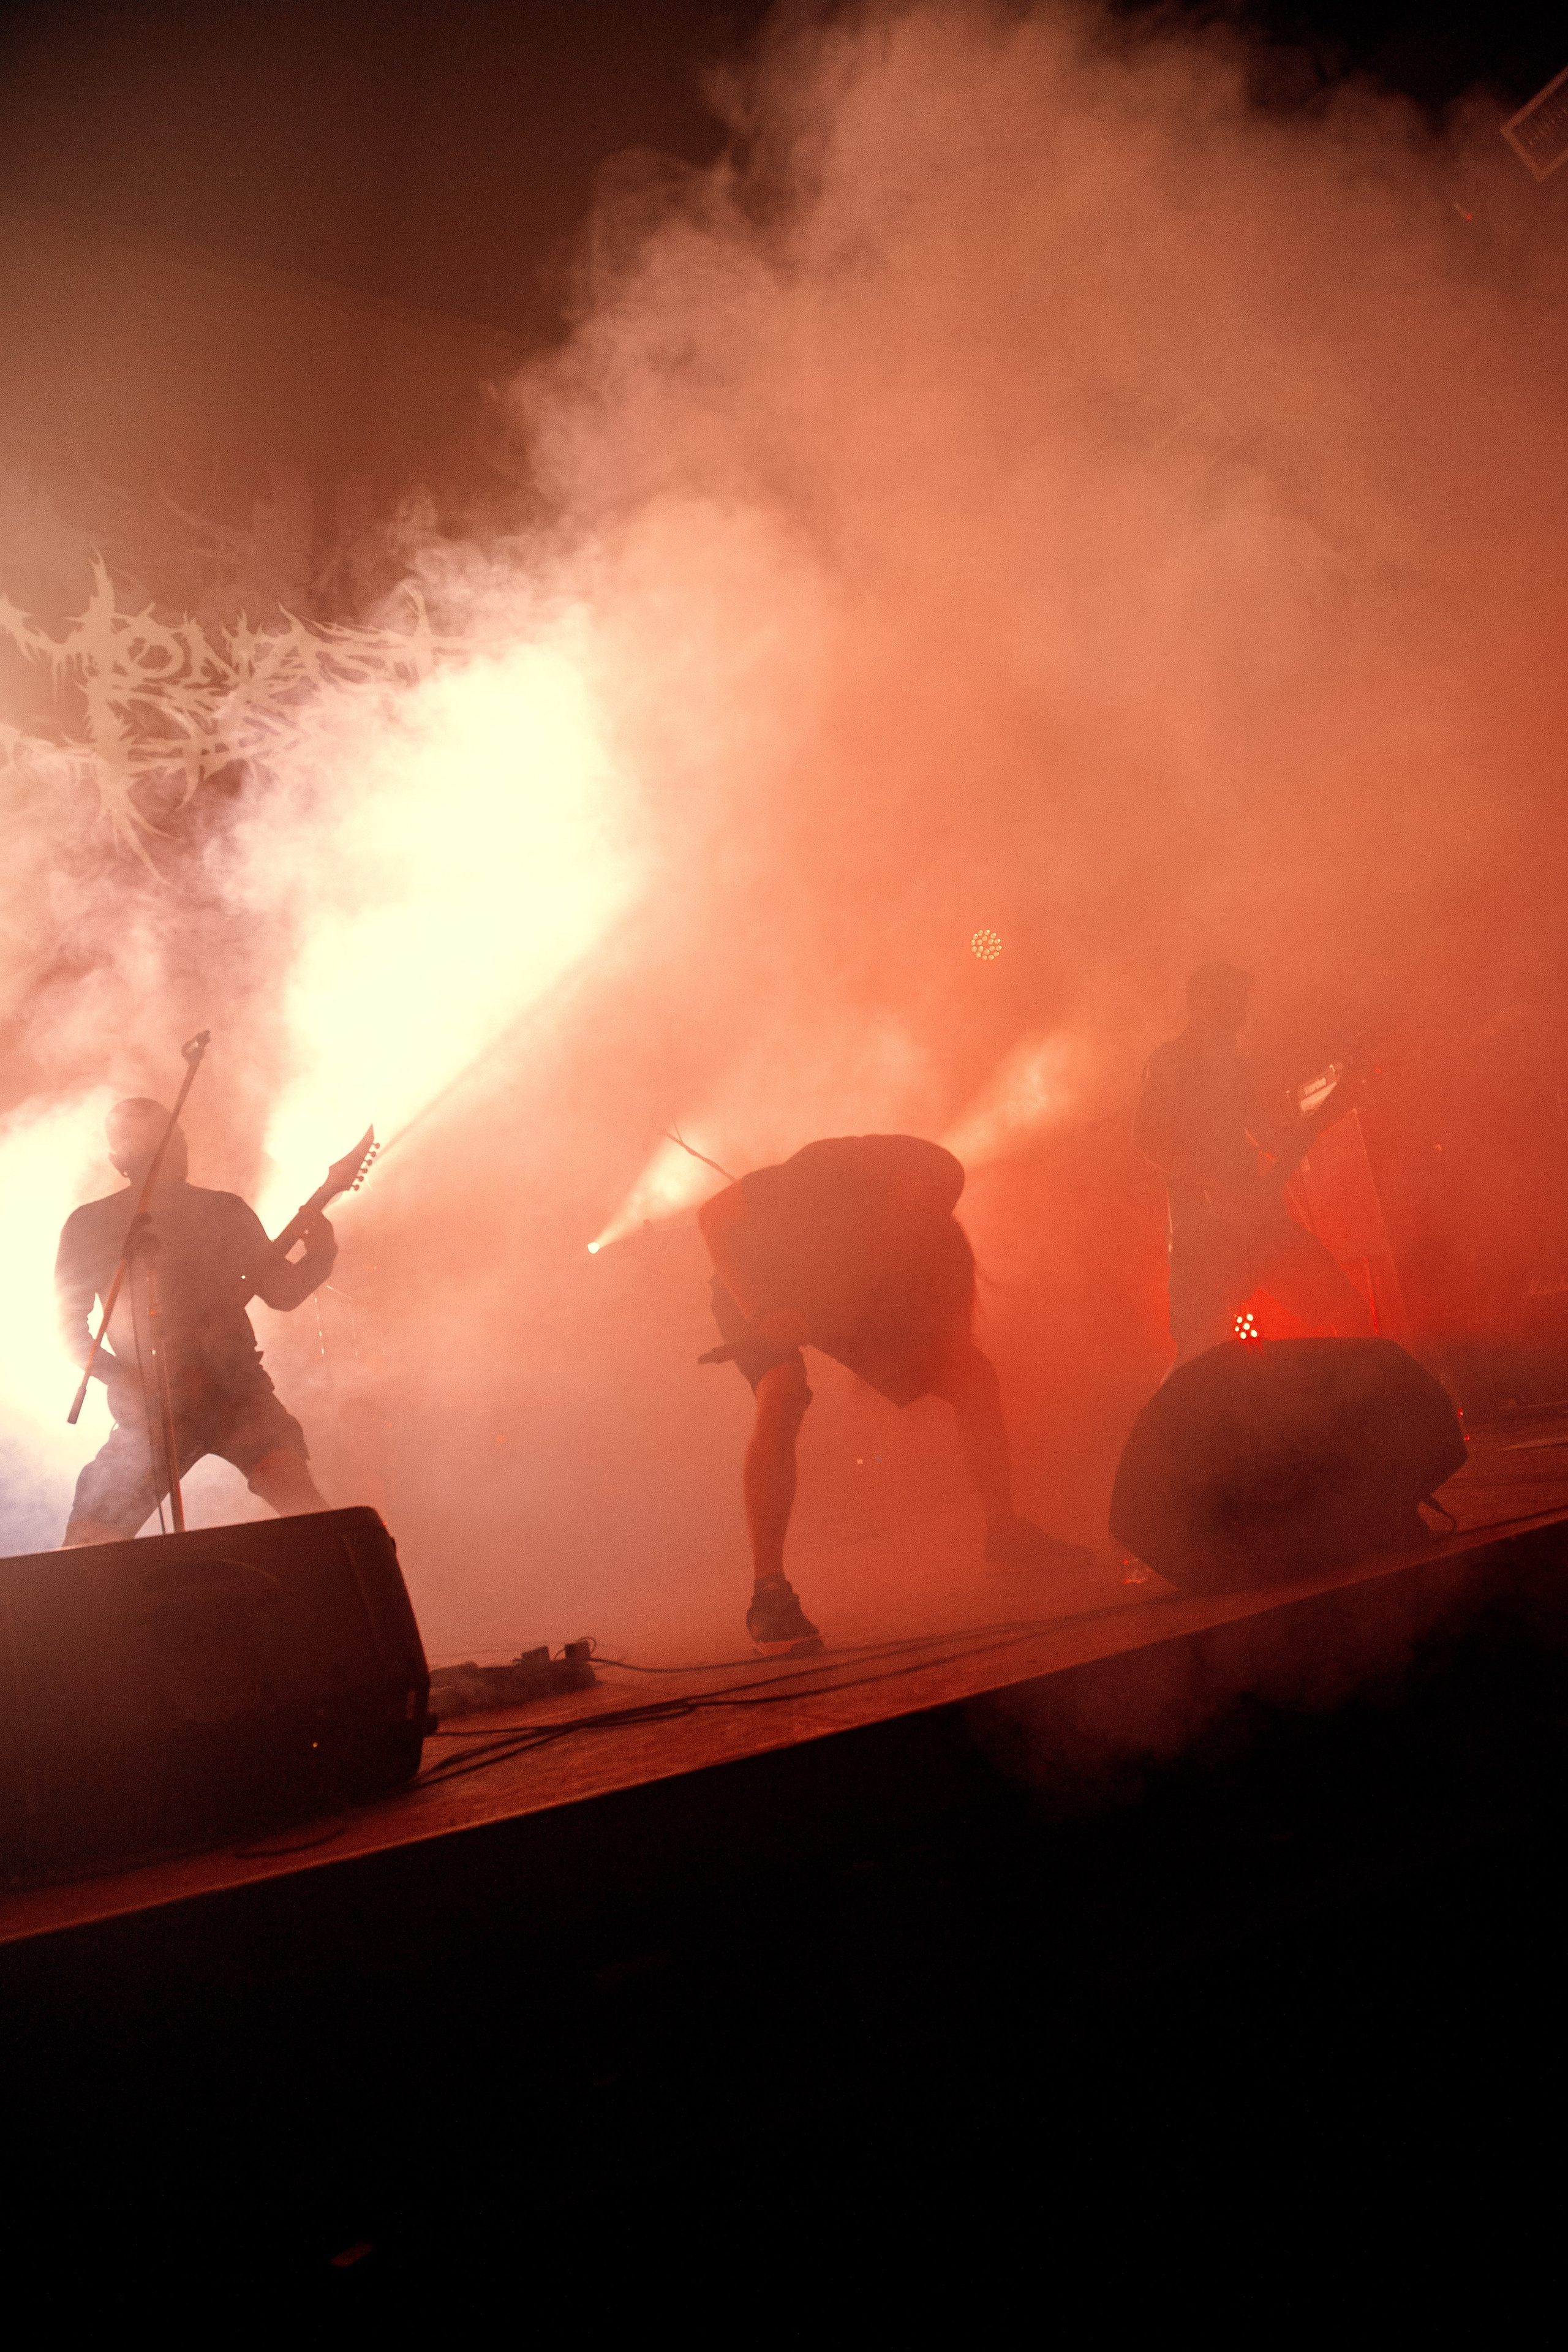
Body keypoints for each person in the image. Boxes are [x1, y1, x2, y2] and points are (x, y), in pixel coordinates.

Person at [698, 1132, 1087, 1656]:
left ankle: (1005, 1535)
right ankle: (768, 1597)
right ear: (888, 1180)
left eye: (937, 1211)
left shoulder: (930, 1238)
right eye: (919, 1204)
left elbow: (944, 1338)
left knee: (975, 1378)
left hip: (834, 1299)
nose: (925, 1221)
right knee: (785, 1390)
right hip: (755, 1284)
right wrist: (760, 1313)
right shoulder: (823, 1171)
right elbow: (713, 1218)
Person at [56, 1097, 337, 1546]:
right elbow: (67, 1329)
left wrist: (322, 1256)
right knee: (87, 1546)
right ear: (119, 1161)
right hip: (157, 1409)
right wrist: (126, 1379)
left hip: (235, 1393)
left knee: (309, 1517)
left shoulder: (224, 1211)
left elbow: (280, 1293)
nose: (175, 1151)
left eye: (175, 1139)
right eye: (162, 1144)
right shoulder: (91, 1224)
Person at [1134, 962, 1375, 1365]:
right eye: (1233, 1005)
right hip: (1204, 1236)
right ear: (1201, 1004)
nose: (1241, 1019)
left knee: (1348, 1309)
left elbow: (1272, 1141)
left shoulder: (1233, 1069)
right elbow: (1147, 1136)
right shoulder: (1171, 1061)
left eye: (1242, 1006)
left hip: (1260, 1223)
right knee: (1201, 1355)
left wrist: (1327, 1114)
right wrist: (1209, 1180)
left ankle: (1367, 1409)